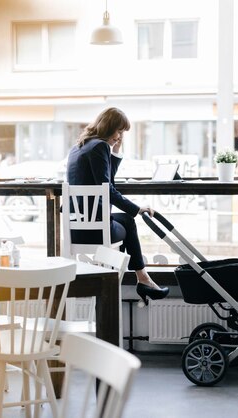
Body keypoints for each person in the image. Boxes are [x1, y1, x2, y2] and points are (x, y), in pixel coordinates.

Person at [66, 107, 169, 304]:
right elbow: (109, 190)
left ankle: (139, 279)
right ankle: (138, 279)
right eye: (118, 131)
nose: (119, 137)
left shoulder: (79, 145)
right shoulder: (99, 147)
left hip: (77, 227)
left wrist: (115, 153)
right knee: (129, 221)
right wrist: (137, 209)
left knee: (126, 221)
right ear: (109, 127)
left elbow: (105, 184)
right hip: (96, 230)